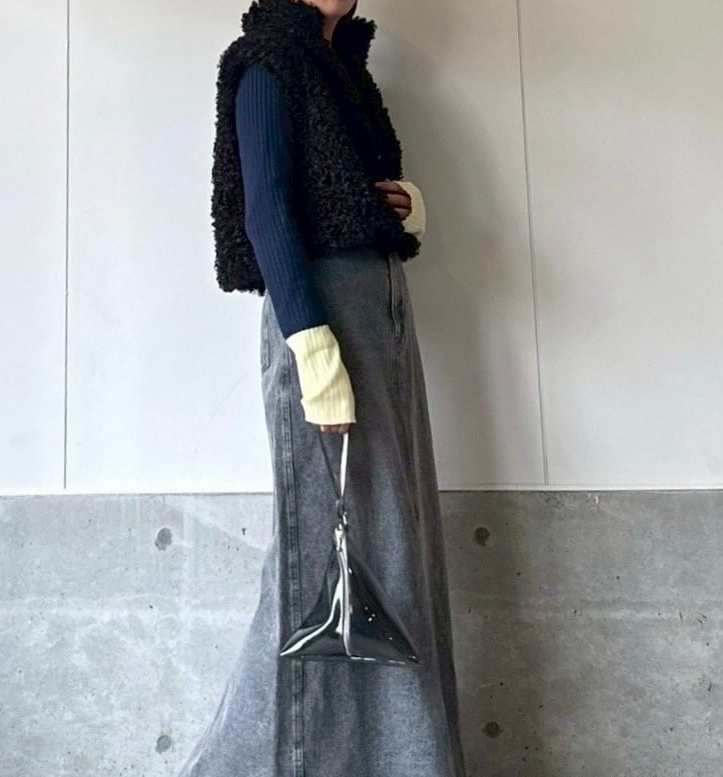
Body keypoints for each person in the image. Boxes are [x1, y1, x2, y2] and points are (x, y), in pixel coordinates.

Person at [177, 1, 467, 775]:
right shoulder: (268, 60)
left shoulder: (344, 72)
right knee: (327, 562)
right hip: (325, 322)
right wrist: (314, 353)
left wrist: (401, 205)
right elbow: (266, 212)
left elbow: (339, 195)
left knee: (392, 547)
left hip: (378, 318)